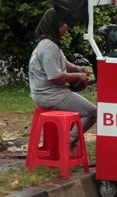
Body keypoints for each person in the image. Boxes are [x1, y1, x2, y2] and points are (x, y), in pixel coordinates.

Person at [28, 8, 97, 158]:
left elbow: (63, 62)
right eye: (64, 25)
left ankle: (67, 139)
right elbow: (55, 77)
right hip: (51, 94)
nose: (67, 28)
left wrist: (78, 68)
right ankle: (68, 142)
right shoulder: (49, 47)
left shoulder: (47, 42)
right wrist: (77, 76)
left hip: (47, 92)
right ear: (55, 24)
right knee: (92, 112)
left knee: (83, 111)